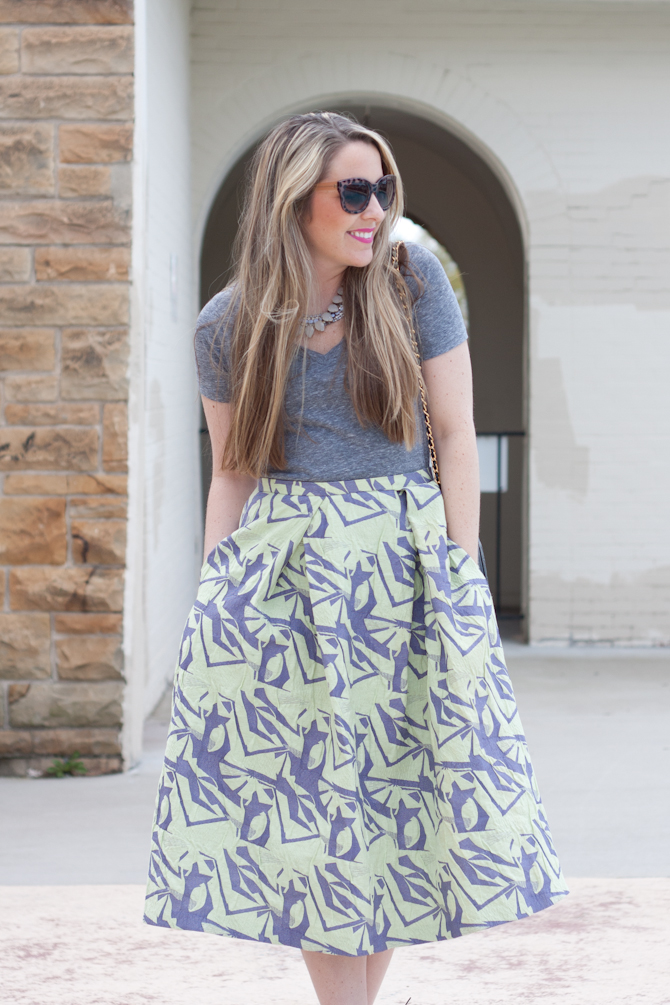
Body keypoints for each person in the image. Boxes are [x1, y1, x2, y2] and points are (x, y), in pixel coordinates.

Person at [144, 112, 567, 1005]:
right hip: (283, 578)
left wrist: (461, 573)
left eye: (384, 189)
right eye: (355, 191)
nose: (376, 209)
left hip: (403, 570)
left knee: (390, 797)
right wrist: (216, 597)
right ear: (294, 200)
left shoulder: (412, 289)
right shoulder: (227, 325)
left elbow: (454, 438)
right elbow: (232, 471)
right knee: (310, 809)